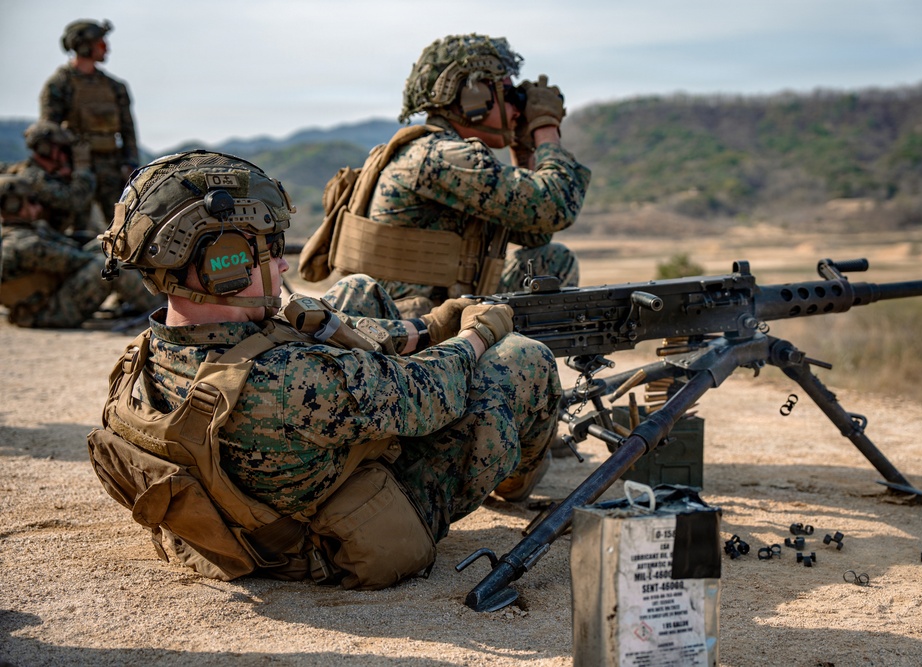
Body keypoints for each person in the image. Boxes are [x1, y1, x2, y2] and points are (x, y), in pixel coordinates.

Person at [88, 151, 561, 589]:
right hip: (336, 531)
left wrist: (428, 326)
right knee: (522, 359)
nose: (283, 262)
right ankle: (519, 476)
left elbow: (306, 328)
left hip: (263, 495)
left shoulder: (143, 355)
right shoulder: (292, 381)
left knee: (355, 291)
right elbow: (433, 393)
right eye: (270, 250)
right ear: (223, 265)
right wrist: (475, 335)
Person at [299, 33, 590, 317]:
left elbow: (534, 232)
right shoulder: (440, 156)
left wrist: (522, 145)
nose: (518, 109)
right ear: (474, 97)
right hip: (401, 328)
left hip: (432, 313)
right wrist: (545, 127)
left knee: (552, 261)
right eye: (511, 96)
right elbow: (555, 207)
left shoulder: (442, 153)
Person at [0, 173, 158, 328]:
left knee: (104, 247)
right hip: (48, 312)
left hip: (44, 304)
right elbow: (75, 260)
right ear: (13, 204)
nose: (38, 206)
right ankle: (159, 308)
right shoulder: (22, 243)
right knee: (109, 265)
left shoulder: (19, 232)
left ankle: (140, 300)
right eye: (32, 201)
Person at [39, 19, 139, 224]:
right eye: (101, 44)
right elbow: (48, 132)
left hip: (112, 166)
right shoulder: (60, 85)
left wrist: (130, 164)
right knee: (78, 228)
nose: (107, 49)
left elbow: (128, 130)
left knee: (125, 226)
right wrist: (62, 165)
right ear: (83, 46)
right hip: (77, 168)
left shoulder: (114, 87)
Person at [3, 120, 97, 237]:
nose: (66, 156)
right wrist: (82, 167)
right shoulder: (33, 177)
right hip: (33, 241)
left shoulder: (46, 174)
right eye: (63, 150)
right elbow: (75, 200)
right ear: (45, 149)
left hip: (46, 236)